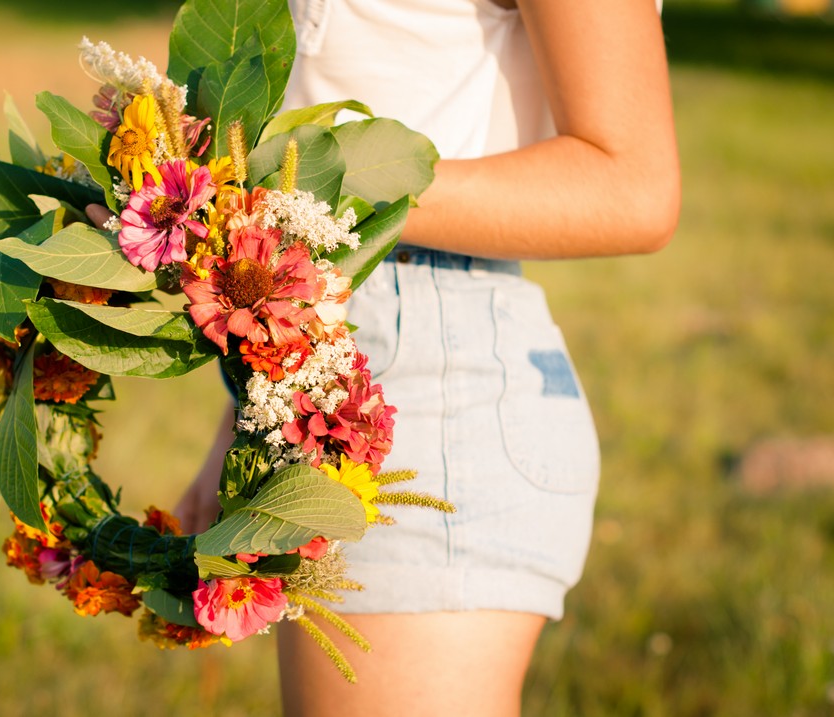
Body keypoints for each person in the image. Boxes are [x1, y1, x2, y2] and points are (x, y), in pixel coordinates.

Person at [94, 0, 679, 714]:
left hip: (430, 386)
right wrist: (244, 416)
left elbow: (635, 184)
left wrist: (322, 192)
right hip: (312, 359)